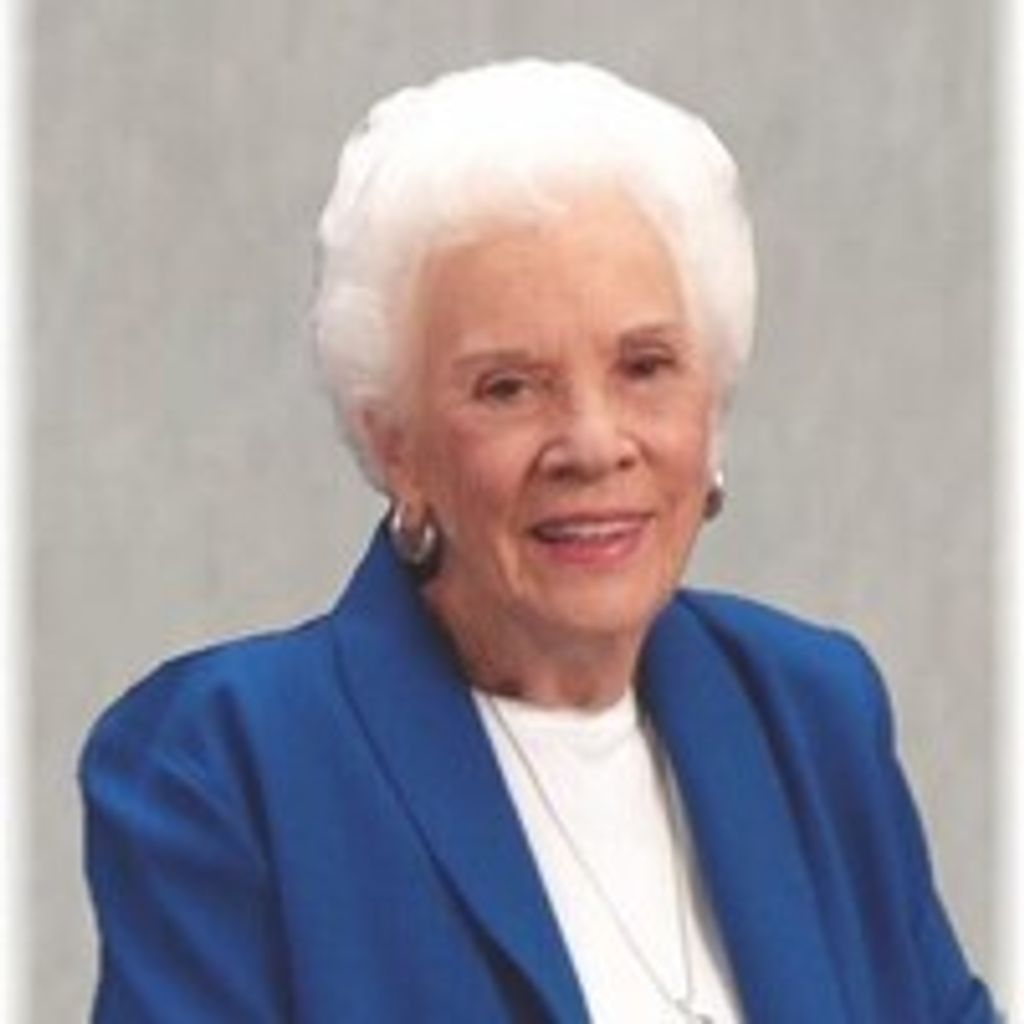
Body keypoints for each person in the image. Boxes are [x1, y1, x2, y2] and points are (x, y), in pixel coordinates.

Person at [80, 60, 997, 1023]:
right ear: (397, 447)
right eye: (509, 388)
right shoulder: (226, 762)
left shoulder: (811, 712)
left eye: (645, 367)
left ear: (712, 406)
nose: (594, 445)